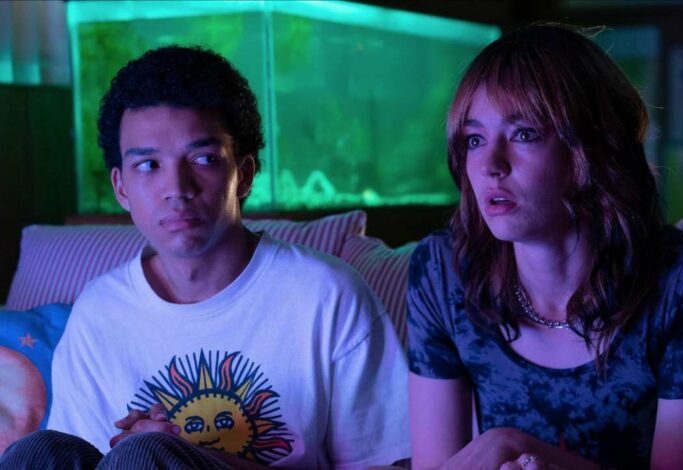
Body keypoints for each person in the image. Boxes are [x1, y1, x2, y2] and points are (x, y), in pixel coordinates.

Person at [0, 45, 409, 469]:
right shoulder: (98, 312)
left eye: (203, 159)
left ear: (243, 175)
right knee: (36, 453)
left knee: (144, 456)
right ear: (121, 188)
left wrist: (185, 457)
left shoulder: (326, 295)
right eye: (148, 165)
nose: (177, 188)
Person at [407, 24, 683, 470]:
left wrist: (513, 445)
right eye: (474, 139)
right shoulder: (444, 270)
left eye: (524, 133)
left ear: (593, 147)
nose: (489, 165)